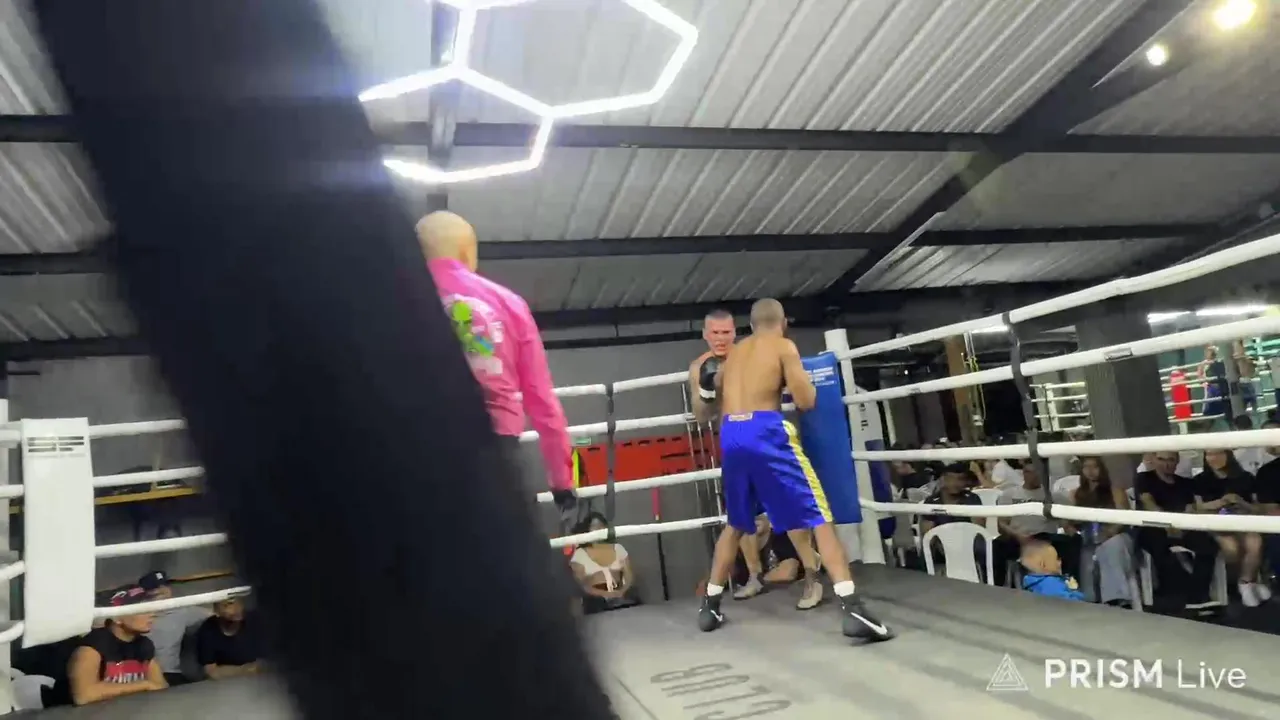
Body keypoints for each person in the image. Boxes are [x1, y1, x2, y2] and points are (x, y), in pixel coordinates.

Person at [696, 298, 892, 641]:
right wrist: (799, 381)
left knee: (737, 523)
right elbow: (806, 401)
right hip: (766, 432)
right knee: (820, 516)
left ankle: (710, 605)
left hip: (731, 434)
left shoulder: (734, 355)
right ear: (783, 322)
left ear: (750, 326)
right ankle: (853, 607)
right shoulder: (783, 346)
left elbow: (710, 399)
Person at [418, 211, 577, 518]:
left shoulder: (387, 305)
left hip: (417, 452)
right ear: (467, 252)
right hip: (496, 454)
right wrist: (561, 482)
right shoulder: (508, 303)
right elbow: (542, 400)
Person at [1134, 451, 1219, 611]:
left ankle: (1197, 596)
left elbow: (1190, 507)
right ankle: (1170, 599)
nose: (1165, 464)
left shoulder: (1185, 483)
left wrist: (1184, 522)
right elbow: (1148, 503)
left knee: (1208, 545)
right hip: (1153, 526)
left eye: (1170, 460)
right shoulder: (1144, 478)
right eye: (1161, 459)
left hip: (1182, 526)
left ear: (1177, 462)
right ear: (1153, 460)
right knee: (1161, 549)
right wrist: (1168, 524)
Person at [1192, 449, 1269, 607]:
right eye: (1209, 454)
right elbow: (1197, 508)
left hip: (1243, 521)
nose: (1214, 458)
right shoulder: (1200, 480)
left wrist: (1241, 502)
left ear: (1228, 455)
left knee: (1255, 543)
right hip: (1215, 523)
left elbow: (1257, 508)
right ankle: (1246, 582)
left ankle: (1246, 582)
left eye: (1218, 453)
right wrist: (1219, 503)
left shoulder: (1245, 477)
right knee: (1231, 548)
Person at [67, 586, 167, 706]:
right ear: (117, 618)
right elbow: (84, 695)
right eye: (142, 609)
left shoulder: (144, 644)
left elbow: (160, 686)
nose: (152, 614)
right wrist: (143, 685)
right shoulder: (93, 646)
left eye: (150, 608)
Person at [994, 464, 1080, 587]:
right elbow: (1001, 524)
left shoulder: (1053, 496)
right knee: (996, 546)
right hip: (1018, 537)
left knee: (1073, 542)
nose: (1035, 476)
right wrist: (1017, 535)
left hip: (1045, 537)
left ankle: (1070, 583)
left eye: (1038, 473)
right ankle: (997, 584)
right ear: (1024, 474)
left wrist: (1070, 530)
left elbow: (1066, 522)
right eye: (1030, 472)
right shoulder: (1009, 495)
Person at [1068, 457, 1134, 606]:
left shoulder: (1115, 491)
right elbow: (1070, 521)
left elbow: (1125, 518)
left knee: (1111, 546)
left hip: (1116, 536)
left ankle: (1116, 598)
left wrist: (1109, 533)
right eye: (1086, 467)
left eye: (1095, 467)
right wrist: (1070, 527)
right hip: (1089, 538)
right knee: (1082, 552)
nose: (1090, 471)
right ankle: (1088, 598)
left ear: (1102, 469)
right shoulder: (1075, 494)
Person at [138, 570, 209, 686]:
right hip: (140, 674)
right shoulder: (135, 613)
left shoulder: (182, 610)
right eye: (155, 587)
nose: (162, 589)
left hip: (170, 673)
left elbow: (216, 615)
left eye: (165, 585)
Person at [569, 512, 638, 614]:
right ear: (588, 530)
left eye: (601, 526)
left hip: (620, 598)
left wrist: (622, 591)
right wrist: (604, 594)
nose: (599, 529)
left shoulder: (618, 548)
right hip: (596, 602)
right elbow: (580, 585)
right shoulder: (580, 554)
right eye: (594, 526)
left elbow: (629, 576)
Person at [195, 596, 263, 679]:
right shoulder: (207, 630)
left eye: (239, 602)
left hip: (259, 680)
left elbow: (267, 663)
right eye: (229, 604)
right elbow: (211, 672)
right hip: (224, 684)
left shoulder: (255, 621)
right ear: (216, 611)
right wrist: (245, 669)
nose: (237, 608)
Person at [1020, 541, 1085, 601]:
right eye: (1056, 559)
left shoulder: (1033, 582)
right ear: (1043, 564)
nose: (1060, 562)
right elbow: (1070, 603)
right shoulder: (1050, 583)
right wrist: (1074, 590)